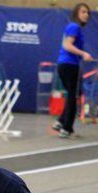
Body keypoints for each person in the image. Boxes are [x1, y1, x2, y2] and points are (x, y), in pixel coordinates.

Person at [52, 3, 93, 138]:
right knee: (73, 96)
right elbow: (67, 45)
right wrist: (83, 54)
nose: (86, 14)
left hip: (67, 65)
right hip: (69, 65)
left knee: (73, 94)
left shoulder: (75, 28)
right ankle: (66, 128)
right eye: (83, 12)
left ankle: (61, 122)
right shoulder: (74, 26)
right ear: (76, 13)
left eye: (87, 12)